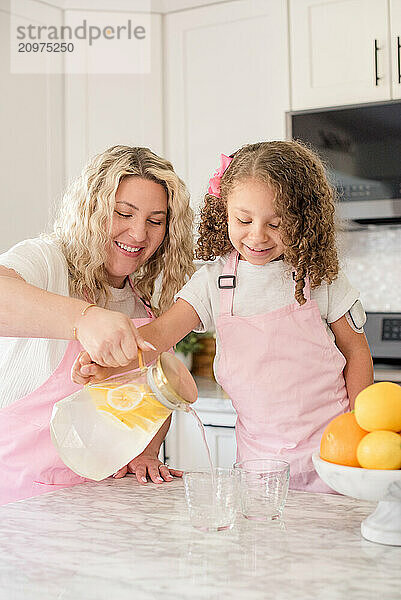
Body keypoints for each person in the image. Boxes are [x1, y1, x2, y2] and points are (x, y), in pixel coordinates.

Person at [73, 141, 374, 492]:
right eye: (243, 220)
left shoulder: (318, 277)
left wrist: (359, 425)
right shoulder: (215, 282)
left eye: (276, 224)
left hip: (335, 452)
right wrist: (111, 366)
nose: (257, 235)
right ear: (224, 213)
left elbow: (356, 352)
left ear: (302, 219)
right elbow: (159, 336)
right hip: (258, 463)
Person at [0, 145, 194, 504]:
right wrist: (83, 319)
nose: (138, 234)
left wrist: (145, 451)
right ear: (92, 209)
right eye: (123, 213)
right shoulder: (48, 263)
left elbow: (148, 400)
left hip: (96, 507)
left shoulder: (142, 303)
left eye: (155, 220)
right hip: (17, 506)